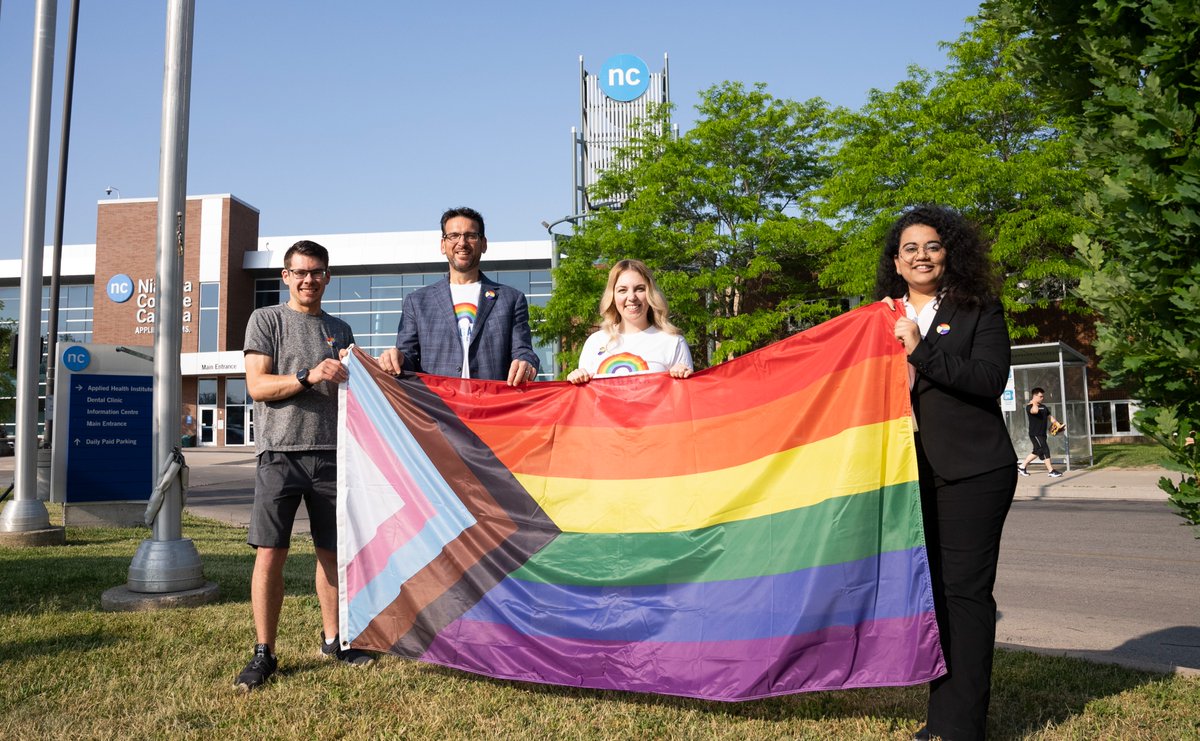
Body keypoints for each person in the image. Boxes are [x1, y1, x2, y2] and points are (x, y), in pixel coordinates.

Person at [878, 205, 1017, 741]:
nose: (921, 255)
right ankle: (944, 719)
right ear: (896, 260)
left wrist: (921, 347)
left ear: (949, 252)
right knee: (932, 595)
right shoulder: (878, 316)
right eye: (910, 248)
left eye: (931, 245)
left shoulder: (978, 308)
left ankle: (958, 729)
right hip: (908, 474)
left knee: (964, 595)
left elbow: (986, 379)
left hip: (974, 471)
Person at [235, 240, 372, 692]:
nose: (308, 279)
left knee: (332, 553)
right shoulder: (267, 319)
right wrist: (308, 375)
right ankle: (264, 652)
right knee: (271, 553)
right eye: (300, 272)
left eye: (316, 271)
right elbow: (256, 385)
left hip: (334, 456)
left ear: (327, 277)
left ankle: (335, 639)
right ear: (286, 276)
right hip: (279, 454)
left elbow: (361, 390)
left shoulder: (341, 328)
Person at [378, 207, 539, 385]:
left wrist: (527, 363)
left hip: (491, 408)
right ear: (442, 245)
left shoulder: (511, 299)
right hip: (437, 408)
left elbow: (523, 351)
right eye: (453, 236)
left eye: (471, 235)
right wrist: (397, 358)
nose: (462, 243)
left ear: (484, 244)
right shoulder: (417, 302)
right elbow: (407, 359)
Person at [566, 259, 692, 384]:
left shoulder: (673, 342)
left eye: (640, 289)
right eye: (622, 290)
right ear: (613, 297)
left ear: (650, 294)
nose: (632, 297)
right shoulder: (595, 342)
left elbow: (684, 399)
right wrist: (576, 381)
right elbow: (586, 400)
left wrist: (682, 378)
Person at [1018, 387, 1064, 477]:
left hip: (1042, 434)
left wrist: (1058, 425)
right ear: (1035, 396)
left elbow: (1050, 417)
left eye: (1042, 396)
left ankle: (1022, 466)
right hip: (1035, 433)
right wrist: (1034, 403)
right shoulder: (1029, 406)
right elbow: (1035, 411)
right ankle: (1051, 471)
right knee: (1045, 449)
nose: (1042, 398)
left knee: (1037, 451)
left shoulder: (1044, 407)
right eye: (1040, 396)